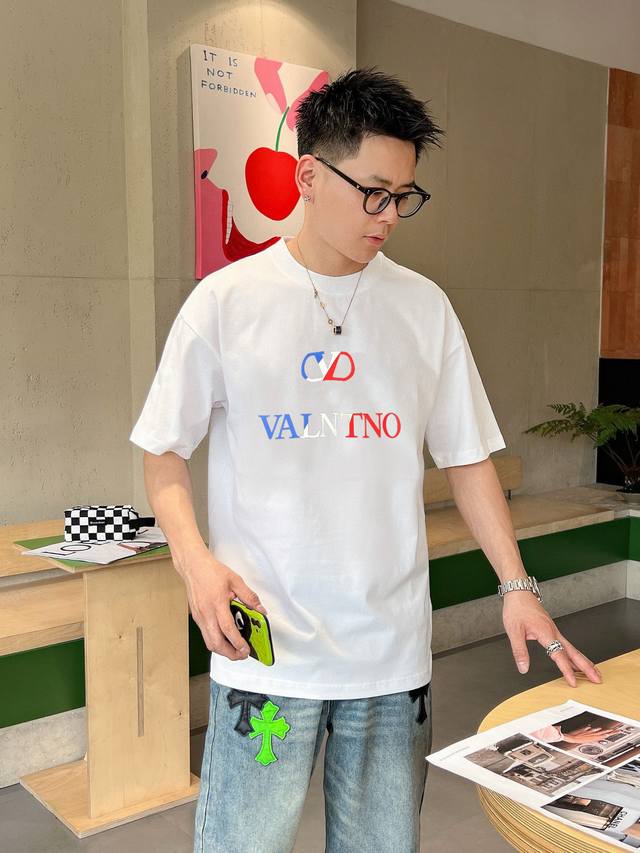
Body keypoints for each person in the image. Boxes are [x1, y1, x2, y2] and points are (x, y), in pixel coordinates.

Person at [129, 66, 603, 853]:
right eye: (373, 193)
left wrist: (516, 586)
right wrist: (196, 565)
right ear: (309, 176)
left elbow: (467, 458)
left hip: (389, 660)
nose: (388, 217)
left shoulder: (424, 308)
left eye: (403, 197)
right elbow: (163, 451)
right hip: (265, 656)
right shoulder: (227, 301)